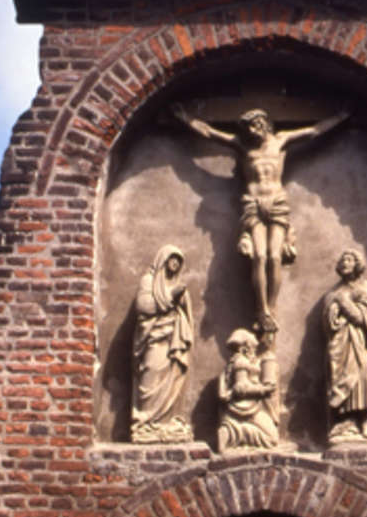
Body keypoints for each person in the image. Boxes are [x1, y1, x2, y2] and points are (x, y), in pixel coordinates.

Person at [172, 103, 348, 332]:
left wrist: (341, 116)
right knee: (259, 257)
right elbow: (209, 132)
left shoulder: (281, 140)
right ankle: (262, 309)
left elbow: (313, 131)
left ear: (265, 124)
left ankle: (271, 309)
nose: (254, 131)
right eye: (249, 128)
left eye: (257, 125)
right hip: (253, 204)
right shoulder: (242, 146)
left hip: (276, 202)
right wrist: (184, 117)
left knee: (274, 257)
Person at [131, 245, 194, 442]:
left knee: (171, 379)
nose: (175, 264)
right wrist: (171, 296)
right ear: (163, 259)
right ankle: (143, 422)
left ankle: (163, 422)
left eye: (178, 261)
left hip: (172, 336)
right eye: (172, 259)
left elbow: (186, 312)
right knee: (150, 373)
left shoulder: (175, 283)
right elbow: (144, 306)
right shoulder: (148, 281)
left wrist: (183, 298)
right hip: (154, 338)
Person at [324, 250, 367, 443]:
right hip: (342, 346)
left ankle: (366, 420)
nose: (344, 262)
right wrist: (336, 310)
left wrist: (345, 303)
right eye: (342, 259)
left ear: (358, 264)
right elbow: (329, 323)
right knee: (342, 375)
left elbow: (364, 317)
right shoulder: (334, 294)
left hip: (363, 344)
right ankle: (346, 421)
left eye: (349, 259)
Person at [217, 328, 278, 451]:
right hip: (244, 408)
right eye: (253, 348)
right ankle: (231, 431)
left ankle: (233, 430)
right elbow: (240, 388)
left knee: (272, 437)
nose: (254, 351)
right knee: (272, 439)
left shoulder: (244, 361)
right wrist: (263, 390)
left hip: (252, 406)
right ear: (243, 348)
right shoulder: (241, 362)